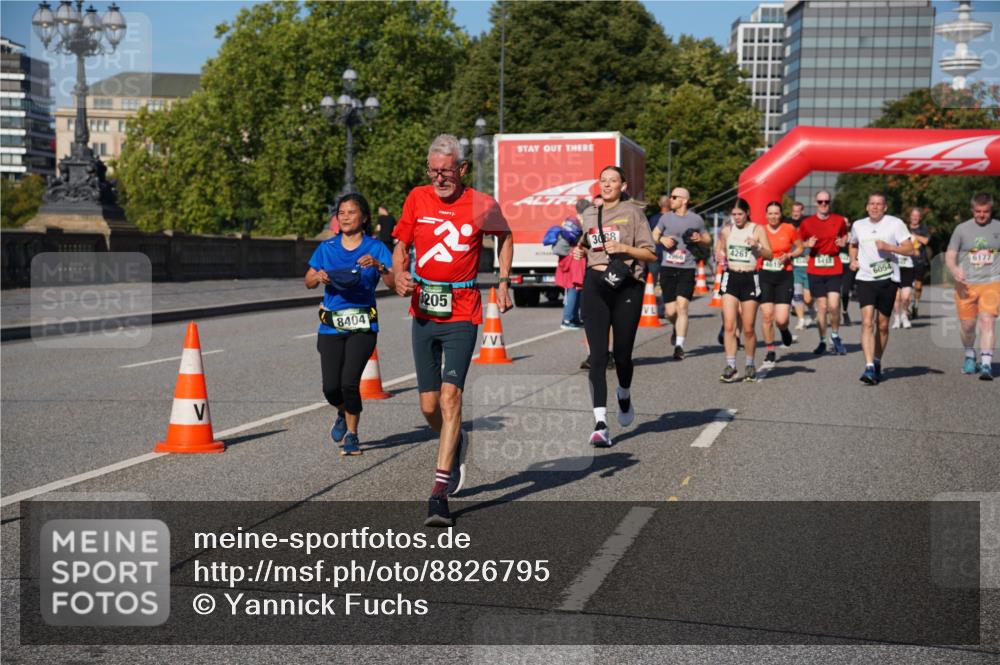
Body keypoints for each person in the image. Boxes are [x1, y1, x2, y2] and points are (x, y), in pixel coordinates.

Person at [391, 134, 513, 527]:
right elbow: (401, 245)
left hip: (462, 310)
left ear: (462, 169)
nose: (439, 177)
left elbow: (505, 237)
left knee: (450, 397)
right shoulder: (417, 198)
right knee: (429, 406)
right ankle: (454, 440)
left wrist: (504, 280)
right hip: (424, 310)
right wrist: (398, 273)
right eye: (433, 170)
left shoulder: (481, 204)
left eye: (446, 170)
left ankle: (439, 493)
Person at [571, 166, 656, 447]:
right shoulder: (588, 214)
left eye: (613, 181)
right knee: (597, 357)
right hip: (595, 284)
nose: (607, 185)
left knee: (622, 355)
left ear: (623, 185)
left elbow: (650, 253)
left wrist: (626, 250)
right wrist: (579, 250)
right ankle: (600, 423)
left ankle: (624, 392)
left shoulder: (633, 213)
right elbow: (587, 240)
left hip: (626, 284)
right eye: (603, 180)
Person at [305, 193, 395, 456]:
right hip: (331, 326)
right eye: (341, 213)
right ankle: (342, 411)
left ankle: (353, 435)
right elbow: (308, 280)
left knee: (349, 382)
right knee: (331, 387)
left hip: (363, 325)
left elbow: (392, 283)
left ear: (364, 218)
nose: (344, 217)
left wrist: (378, 266)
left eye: (351, 212)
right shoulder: (327, 248)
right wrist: (318, 276)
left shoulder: (376, 247)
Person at [848, 193, 914, 385]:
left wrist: (889, 247)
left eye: (879, 204)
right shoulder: (858, 225)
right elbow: (853, 244)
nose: (875, 207)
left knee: (883, 325)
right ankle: (869, 366)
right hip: (865, 278)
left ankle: (877, 361)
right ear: (867, 207)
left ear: (885, 208)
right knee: (867, 323)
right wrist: (853, 260)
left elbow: (909, 249)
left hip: (889, 278)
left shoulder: (895, 224)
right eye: (872, 204)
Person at [651, 186, 710, 360]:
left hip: (687, 268)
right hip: (668, 267)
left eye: (674, 197)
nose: (671, 199)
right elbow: (654, 234)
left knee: (683, 307)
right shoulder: (665, 218)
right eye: (670, 196)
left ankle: (679, 346)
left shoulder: (696, 219)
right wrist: (661, 239)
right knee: (670, 312)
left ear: (684, 200)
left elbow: (708, 238)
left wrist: (701, 239)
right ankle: (675, 327)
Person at [945, 192, 1000, 381]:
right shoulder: (961, 229)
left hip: (992, 282)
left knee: (987, 320)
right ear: (972, 210)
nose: (981, 215)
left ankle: (986, 364)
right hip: (966, 284)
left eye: (985, 212)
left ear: (990, 210)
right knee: (968, 326)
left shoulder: (998, 227)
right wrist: (954, 269)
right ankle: (969, 354)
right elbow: (950, 255)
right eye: (978, 211)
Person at [717, 198, 772, 382]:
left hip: (750, 278)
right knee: (730, 325)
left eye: (740, 214)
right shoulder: (727, 230)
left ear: (747, 213)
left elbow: (769, 254)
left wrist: (757, 246)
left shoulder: (757, 229)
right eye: (734, 214)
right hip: (731, 277)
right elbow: (720, 248)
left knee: (748, 328)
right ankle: (731, 366)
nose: (737, 217)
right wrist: (719, 254)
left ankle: (749, 363)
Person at [799, 191, 849, 355]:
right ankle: (822, 341)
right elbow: (800, 243)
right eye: (820, 201)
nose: (823, 204)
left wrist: (843, 241)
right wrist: (808, 244)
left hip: (833, 265)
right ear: (816, 203)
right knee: (821, 307)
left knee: (834, 305)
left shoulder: (839, 220)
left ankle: (835, 336)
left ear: (830, 202)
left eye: (826, 201)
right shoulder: (807, 223)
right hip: (815, 267)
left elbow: (845, 236)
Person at [759, 201, 803, 365]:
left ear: (781, 214)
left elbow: (799, 247)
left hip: (784, 275)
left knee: (782, 319)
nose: (773, 216)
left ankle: (784, 330)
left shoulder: (789, 229)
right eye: (770, 213)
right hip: (765, 275)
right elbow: (755, 250)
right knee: (767, 315)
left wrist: (789, 255)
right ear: (766, 215)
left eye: (776, 213)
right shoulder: (760, 230)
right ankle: (770, 349)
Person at [556, 199, 587, 329]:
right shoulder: (581, 223)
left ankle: (573, 318)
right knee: (573, 288)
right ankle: (567, 319)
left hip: (569, 258)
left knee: (575, 289)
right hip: (574, 259)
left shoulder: (569, 221)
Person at [789, 201, 814, 330]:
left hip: (807, 266)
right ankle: (801, 319)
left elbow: (813, 241)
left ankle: (811, 309)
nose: (795, 213)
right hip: (795, 268)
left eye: (798, 211)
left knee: (808, 298)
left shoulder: (808, 225)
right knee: (797, 295)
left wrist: (810, 253)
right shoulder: (787, 225)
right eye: (794, 211)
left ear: (802, 212)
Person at [904, 207, 931, 321]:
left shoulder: (923, 229)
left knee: (918, 286)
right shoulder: (904, 228)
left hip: (920, 261)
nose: (914, 217)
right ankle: (908, 308)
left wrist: (914, 235)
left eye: (917, 216)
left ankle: (916, 304)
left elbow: (926, 241)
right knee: (907, 286)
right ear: (910, 216)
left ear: (920, 218)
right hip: (906, 261)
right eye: (913, 215)